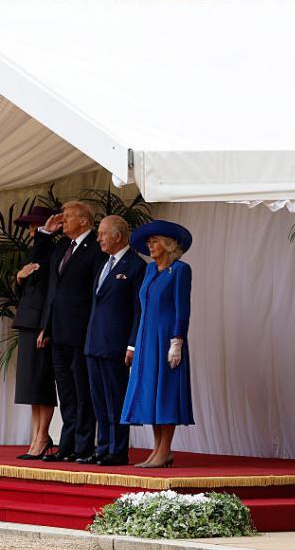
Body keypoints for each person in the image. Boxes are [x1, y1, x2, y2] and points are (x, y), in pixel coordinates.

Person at [121, 220, 194, 468]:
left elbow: (182, 310)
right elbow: (140, 309)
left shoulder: (181, 270)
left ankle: (165, 450)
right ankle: (157, 450)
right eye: (149, 242)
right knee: (151, 393)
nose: (150, 246)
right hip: (146, 338)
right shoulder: (151, 270)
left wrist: (177, 341)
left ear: (168, 244)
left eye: (154, 242)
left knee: (166, 392)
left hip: (165, 339)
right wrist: (133, 344)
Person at [38, 201, 106, 463]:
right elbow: (50, 284)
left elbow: (95, 294)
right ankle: (66, 446)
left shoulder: (95, 249)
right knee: (65, 392)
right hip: (57, 331)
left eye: (68, 217)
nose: (63, 220)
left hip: (80, 331)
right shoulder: (63, 246)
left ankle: (83, 447)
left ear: (84, 221)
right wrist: (46, 325)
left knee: (82, 392)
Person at [84, 215, 146, 466]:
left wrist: (132, 344)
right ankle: (102, 447)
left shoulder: (136, 266)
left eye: (102, 233)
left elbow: (138, 309)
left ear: (118, 236)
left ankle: (117, 449)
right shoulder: (104, 264)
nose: (98, 238)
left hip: (116, 345)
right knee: (99, 399)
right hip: (95, 342)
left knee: (115, 398)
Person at [10, 205, 58, 460]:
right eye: (31, 227)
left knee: (41, 383)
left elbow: (50, 293)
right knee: (30, 386)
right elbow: (26, 288)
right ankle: (36, 435)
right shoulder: (36, 251)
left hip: (41, 323)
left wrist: (46, 326)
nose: (31, 231)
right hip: (27, 321)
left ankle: (43, 436)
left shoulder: (50, 250)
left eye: (35, 226)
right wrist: (19, 277)